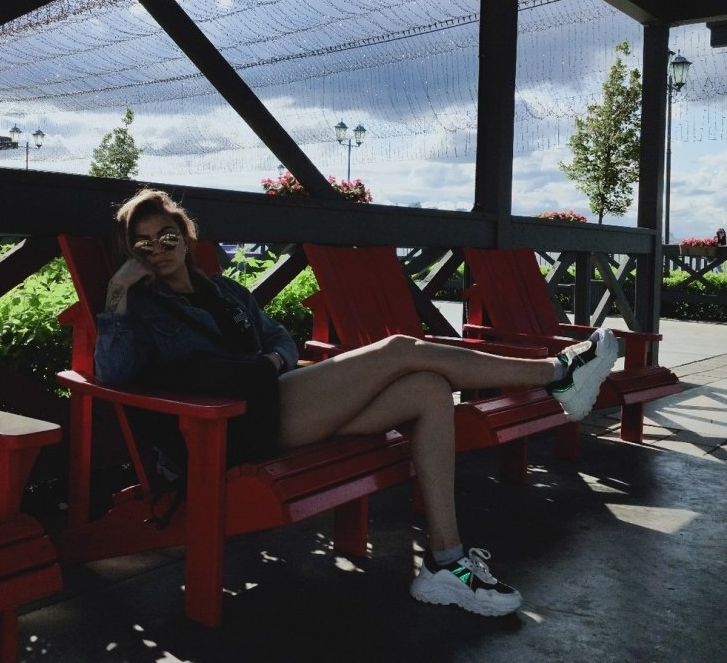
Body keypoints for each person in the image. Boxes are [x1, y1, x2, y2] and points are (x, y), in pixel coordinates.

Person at [95, 187, 618, 618]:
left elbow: (278, 338)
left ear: (185, 237)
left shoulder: (226, 292)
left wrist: (272, 363)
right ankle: (556, 374)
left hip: (276, 402)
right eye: (142, 244)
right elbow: (112, 373)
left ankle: (445, 561)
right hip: (227, 431)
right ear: (131, 254)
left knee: (429, 389)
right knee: (399, 349)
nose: (157, 249)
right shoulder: (141, 310)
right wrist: (118, 291)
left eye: (166, 236)